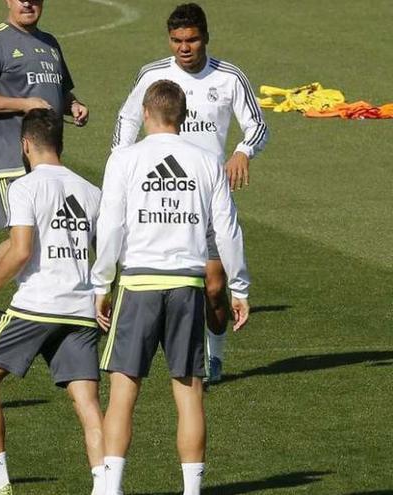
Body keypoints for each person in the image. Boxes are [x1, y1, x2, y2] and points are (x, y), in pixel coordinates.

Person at [93, 80, 250, 495]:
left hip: (139, 282)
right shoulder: (205, 161)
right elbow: (227, 229)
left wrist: (101, 282)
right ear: (184, 117)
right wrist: (239, 288)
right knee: (189, 392)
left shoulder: (124, 159)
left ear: (146, 114)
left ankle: (111, 489)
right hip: (187, 284)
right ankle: (192, 490)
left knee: (123, 390)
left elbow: (110, 225)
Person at [110, 3, 267, 383]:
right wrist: (121, 164)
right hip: (160, 195)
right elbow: (127, 119)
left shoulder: (229, 78)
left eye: (192, 39)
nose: (184, 47)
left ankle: (214, 356)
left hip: (208, 199)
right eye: (177, 40)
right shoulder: (152, 74)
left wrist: (242, 152)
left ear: (205, 38)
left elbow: (258, 126)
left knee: (215, 288)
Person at [0, 109, 104, 495]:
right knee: (86, 402)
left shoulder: (25, 187)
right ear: (60, 143)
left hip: (38, 304)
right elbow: (105, 257)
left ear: (25, 145)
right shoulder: (91, 191)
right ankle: (106, 485)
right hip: (82, 308)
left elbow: (20, 250)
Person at [0, 0, 89, 341]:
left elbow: (59, 90)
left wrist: (73, 105)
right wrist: (24, 104)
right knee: (24, 237)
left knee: (31, 235)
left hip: (43, 160)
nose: (28, 3)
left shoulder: (50, 43)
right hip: (8, 156)